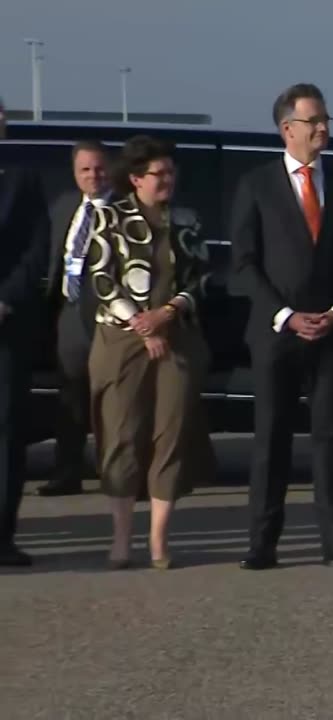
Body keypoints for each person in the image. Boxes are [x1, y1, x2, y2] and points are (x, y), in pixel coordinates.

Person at [231, 83, 333, 570]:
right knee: (271, 436)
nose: (323, 128)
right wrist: (286, 315)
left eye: (326, 119)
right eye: (313, 120)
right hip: (277, 332)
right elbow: (244, 264)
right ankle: (263, 541)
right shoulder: (256, 185)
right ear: (287, 128)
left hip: (332, 333)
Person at [86, 135, 216, 570]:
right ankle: (121, 540)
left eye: (171, 173)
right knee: (122, 435)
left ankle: (159, 539)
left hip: (176, 334)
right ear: (136, 178)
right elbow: (103, 280)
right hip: (122, 340)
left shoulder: (187, 220)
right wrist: (142, 326)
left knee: (171, 434)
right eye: (159, 174)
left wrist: (167, 313)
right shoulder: (110, 216)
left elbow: (200, 279)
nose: (168, 181)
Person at [37, 140, 113, 498]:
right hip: (69, 312)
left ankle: (116, 475)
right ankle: (67, 472)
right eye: (85, 169)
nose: (93, 176)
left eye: (99, 168)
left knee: (111, 401)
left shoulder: (125, 210)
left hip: (109, 318)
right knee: (70, 397)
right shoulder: (65, 207)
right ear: (75, 173)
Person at [0, 96, 52, 567]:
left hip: (7, 322)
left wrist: (6, 299)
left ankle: (2, 536)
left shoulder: (24, 178)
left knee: (6, 430)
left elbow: (38, 248)